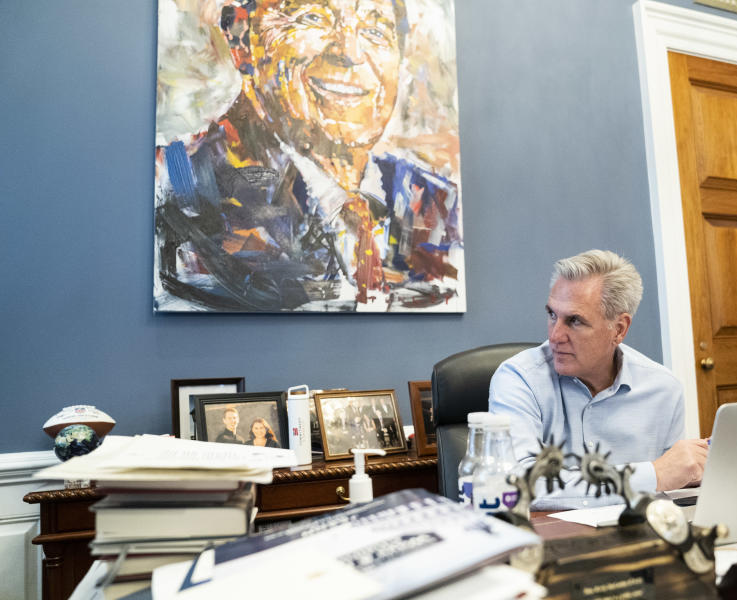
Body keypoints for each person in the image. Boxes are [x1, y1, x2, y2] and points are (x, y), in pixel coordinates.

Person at [154, 0, 461, 311]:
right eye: (313, 18)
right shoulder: (182, 189)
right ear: (240, 37)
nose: (350, 53)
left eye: (374, 30)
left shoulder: (439, 204)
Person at [488, 250, 708, 510]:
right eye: (552, 315)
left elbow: (672, 486)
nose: (555, 335)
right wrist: (653, 475)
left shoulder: (663, 388)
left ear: (619, 329)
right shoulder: (518, 379)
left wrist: (693, 471)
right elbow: (520, 484)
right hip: (552, 543)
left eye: (575, 321)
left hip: (640, 537)